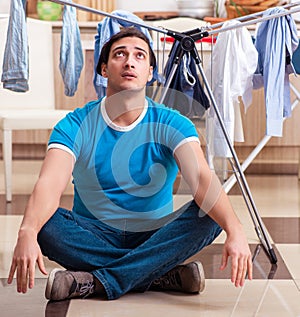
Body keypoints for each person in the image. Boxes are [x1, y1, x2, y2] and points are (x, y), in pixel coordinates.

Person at [7, 27, 252, 301]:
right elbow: (49, 185)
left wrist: (236, 230)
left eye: (139, 56)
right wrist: (27, 231)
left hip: (153, 233)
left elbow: (202, 180)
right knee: (46, 224)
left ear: (149, 73)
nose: (129, 61)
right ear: (103, 69)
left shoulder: (172, 122)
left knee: (210, 213)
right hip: (93, 234)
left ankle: (98, 281)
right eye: (119, 54)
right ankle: (157, 272)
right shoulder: (75, 123)